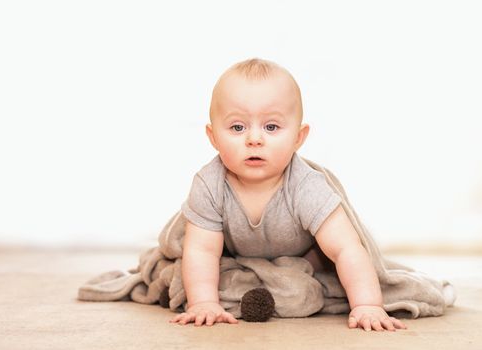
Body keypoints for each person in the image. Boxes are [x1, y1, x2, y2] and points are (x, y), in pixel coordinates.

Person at [169, 58, 407, 332]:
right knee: (188, 265)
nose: (254, 139)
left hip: (304, 254)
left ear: (298, 137)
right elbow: (202, 250)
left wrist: (368, 305)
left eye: (271, 127)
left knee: (331, 271)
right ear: (213, 137)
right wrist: (203, 302)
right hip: (234, 252)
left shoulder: (307, 187)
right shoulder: (209, 184)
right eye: (237, 127)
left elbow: (346, 248)